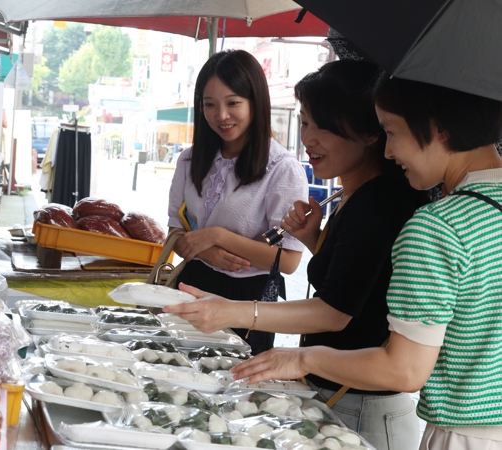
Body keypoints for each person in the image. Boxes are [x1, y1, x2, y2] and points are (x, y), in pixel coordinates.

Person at [166, 60, 429, 450]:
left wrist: (232, 311)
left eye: (324, 127)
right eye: (305, 123)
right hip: (341, 397)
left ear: (370, 134)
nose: (309, 139)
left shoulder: (376, 203)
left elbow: (336, 312)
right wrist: (312, 239)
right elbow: (357, 281)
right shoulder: (353, 195)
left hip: (364, 408)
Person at [230, 75, 502, 450]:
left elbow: (404, 370)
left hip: (465, 435)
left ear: (437, 128)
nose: (388, 152)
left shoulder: (439, 225)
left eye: (392, 132)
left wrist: (304, 358)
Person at [167, 49, 308, 355]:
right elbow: (175, 231)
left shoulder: (281, 168)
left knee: (233, 380)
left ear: (255, 102)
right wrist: (204, 251)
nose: (221, 115)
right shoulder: (189, 160)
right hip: (191, 285)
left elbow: (287, 260)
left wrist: (218, 237)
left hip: (248, 301)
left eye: (233, 103)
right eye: (210, 104)